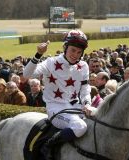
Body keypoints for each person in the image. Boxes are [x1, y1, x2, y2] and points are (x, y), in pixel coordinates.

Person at [23, 30, 93, 159]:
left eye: (79, 52)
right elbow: (26, 75)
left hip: (75, 107)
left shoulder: (83, 66)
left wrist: (87, 104)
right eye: (73, 50)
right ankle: (48, 146)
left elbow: (85, 89)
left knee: (101, 118)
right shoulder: (51, 62)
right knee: (80, 127)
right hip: (56, 109)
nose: (75, 55)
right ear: (65, 47)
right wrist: (38, 54)